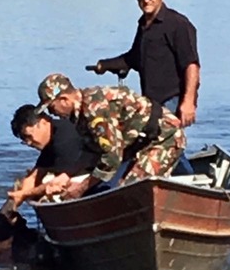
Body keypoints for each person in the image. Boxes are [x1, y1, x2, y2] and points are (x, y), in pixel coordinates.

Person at [34, 73, 186, 200]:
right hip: (138, 142)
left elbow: (112, 157)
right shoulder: (79, 115)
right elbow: (92, 151)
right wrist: (66, 175)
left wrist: (81, 188)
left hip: (163, 137)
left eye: (52, 107)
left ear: (64, 100)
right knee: (112, 187)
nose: (52, 114)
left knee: (132, 190)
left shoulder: (94, 110)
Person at [92, 0, 200, 128]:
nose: (146, 0)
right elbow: (134, 58)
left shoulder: (177, 24)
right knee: (154, 145)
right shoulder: (144, 25)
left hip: (173, 100)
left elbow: (191, 65)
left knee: (165, 145)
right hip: (152, 103)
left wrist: (188, 102)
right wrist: (105, 65)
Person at [7, 104, 99, 208]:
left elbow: (59, 182)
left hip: (102, 172)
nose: (28, 143)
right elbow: (34, 176)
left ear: (43, 122)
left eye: (29, 136)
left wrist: (24, 194)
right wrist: (11, 206)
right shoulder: (50, 141)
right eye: (24, 140)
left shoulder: (64, 138)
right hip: (83, 170)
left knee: (53, 187)